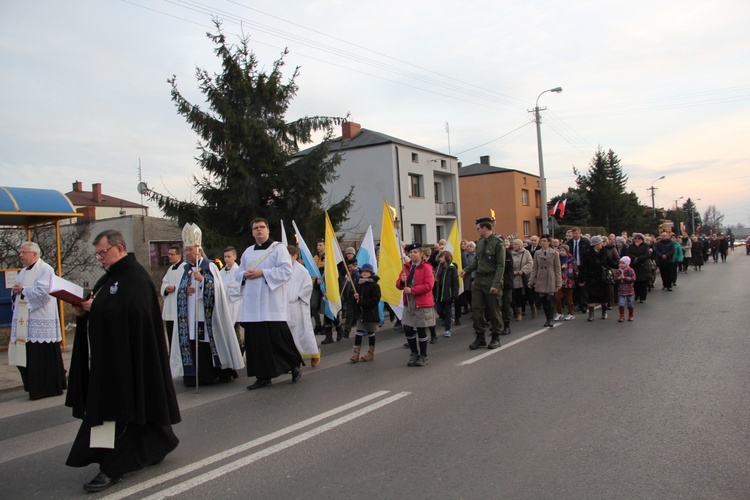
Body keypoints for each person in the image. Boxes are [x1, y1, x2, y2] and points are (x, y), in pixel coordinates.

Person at [66, 230, 180, 493]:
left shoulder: (135, 277)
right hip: (112, 359)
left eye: (102, 252)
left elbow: (135, 313)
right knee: (124, 410)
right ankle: (158, 443)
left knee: (119, 412)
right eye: (97, 254)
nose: (99, 259)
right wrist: (83, 310)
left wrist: (96, 308)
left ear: (118, 248)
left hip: (129, 361)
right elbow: (103, 306)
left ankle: (113, 466)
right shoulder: (111, 278)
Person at [170, 224, 244, 387]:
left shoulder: (209, 265)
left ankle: (215, 372)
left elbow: (218, 288)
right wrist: (185, 289)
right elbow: (180, 289)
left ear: (198, 249)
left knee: (206, 341)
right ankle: (194, 375)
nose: (187, 253)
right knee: (192, 340)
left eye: (189, 250)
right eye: (186, 250)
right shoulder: (186, 268)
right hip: (190, 314)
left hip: (207, 313)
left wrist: (203, 280)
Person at [240, 218, 304, 390]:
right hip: (253, 306)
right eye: (255, 228)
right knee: (256, 342)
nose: (259, 230)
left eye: (262, 227)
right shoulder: (247, 252)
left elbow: (286, 270)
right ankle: (263, 376)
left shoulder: (278, 248)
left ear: (268, 230)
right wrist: (243, 275)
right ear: (252, 232)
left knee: (277, 338)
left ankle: (294, 366)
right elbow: (238, 273)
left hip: (272, 303)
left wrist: (263, 273)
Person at [8, 241, 66, 400]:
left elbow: (44, 293)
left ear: (34, 254)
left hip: (40, 317)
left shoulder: (45, 269)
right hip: (25, 321)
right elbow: (17, 291)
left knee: (41, 356)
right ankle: (33, 386)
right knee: (28, 356)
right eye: (20, 252)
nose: (20, 255)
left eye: (23, 252)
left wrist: (23, 290)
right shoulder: (22, 272)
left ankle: (46, 388)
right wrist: (15, 292)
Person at [460, 217, 505, 350]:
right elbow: (476, 261)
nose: (477, 231)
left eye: (478, 228)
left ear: (485, 228)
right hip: (479, 280)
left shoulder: (498, 243)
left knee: (494, 309)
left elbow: (501, 266)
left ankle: (496, 336)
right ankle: (480, 337)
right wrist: (466, 270)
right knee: (477, 309)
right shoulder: (479, 243)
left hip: (491, 279)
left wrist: (496, 284)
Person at [396, 243, 435, 367]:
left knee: (420, 329)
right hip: (409, 302)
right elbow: (398, 285)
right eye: (410, 252)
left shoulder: (426, 268)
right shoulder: (406, 267)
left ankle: (423, 355)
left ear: (421, 254)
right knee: (407, 327)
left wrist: (412, 290)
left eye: (415, 252)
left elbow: (429, 286)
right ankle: (413, 353)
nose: (412, 254)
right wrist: (402, 282)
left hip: (421, 302)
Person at [286, 246, 320, 367]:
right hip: (285, 307)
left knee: (303, 332)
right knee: (288, 334)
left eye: (288, 256)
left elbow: (308, 287)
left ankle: (313, 353)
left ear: (295, 256)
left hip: (298, 306)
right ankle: (292, 360)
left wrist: (297, 296)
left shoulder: (302, 271)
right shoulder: (282, 269)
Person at [579, 235, 618, 321]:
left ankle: (604, 312)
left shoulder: (604, 252)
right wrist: (581, 279)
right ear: (596, 244)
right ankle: (591, 314)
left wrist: (620, 266)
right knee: (591, 296)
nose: (602, 244)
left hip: (603, 278)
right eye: (600, 243)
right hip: (591, 277)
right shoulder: (587, 253)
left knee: (604, 296)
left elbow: (610, 263)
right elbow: (583, 267)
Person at [350, 263, 381, 362]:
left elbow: (375, 300)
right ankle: (356, 353)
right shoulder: (359, 284)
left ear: (371, 273)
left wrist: (361, 302)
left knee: (371, 332)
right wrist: (354, 298)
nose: (364, 273)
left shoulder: (374, 286)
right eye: (363, 272)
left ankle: (370, 352)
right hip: (361, 313)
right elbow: (354, 298)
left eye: (366, 272)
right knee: (359, 332)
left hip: (370, 313)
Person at [528, 234, 562, 328]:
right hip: (541, 278)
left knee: (549, 299)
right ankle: (547, 319)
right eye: (541, 241)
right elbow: (534, 268)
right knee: (543, 300)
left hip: (551, 277)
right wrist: (531, 281)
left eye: (544, 241)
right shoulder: (537, 253)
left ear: (549, 242)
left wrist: (559, 282)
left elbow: (557, 268)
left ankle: (550, 319)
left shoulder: (554, 253)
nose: (542, 242)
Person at [160, 244, 183, 349]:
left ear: (179, 255)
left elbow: (186, 283)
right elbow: (164, 282)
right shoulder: (170, 269)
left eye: (172, 254)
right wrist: (166, 288)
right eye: (168, 254)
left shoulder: (184, 267)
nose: (169, 256)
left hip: (178, 306)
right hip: (170, 305)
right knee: (170, 333)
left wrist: (175, 287)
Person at [565, 227, 590, 313]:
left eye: (576, 233)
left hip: (582, 266)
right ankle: (576, 303)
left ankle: (583, 305)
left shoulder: (585, 242)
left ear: (580, 233)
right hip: (572, 267)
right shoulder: (569, 243)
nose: (575, 235)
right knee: (574, 286)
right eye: (573, 233)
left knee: (582, 285)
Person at [434, 250, 459, 338]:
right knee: (439, 310)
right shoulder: (438, 267)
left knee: (447, 311)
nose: (440, 258)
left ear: (446, 258)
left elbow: (455, 282)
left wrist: (455, 294)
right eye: (440, 257)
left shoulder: (452, 268)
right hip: (439, 292)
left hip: (447, 293)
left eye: (442, 257)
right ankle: (447, 319)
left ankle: (448, 329)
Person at [510, 238, 532, 322]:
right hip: (514, 277)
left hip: (524, 276)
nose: (514, 246)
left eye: (516, 244)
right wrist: (513, 272)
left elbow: (530, 263)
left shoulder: (526, 253)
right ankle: (519, 313)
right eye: (513, 244)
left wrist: (522, 271)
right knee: (517, 295)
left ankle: (533, 307)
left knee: (528, 294)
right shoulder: (511, 254)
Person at [555, 244, 578, 321]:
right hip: (559, 281)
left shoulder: (571, 259)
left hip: (569, 281)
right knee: (557, 297)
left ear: (567, 251)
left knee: (569, 299)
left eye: (563, 250)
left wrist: (578, 279)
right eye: (560, 250)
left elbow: (576, 270)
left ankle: (571, 313)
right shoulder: (557, 259)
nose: (561, 252)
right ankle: (559, 313)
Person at [628, 233, 652, 303]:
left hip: (643, 265)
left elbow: (647, 254)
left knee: (643, 282)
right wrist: (634, 258)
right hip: (634, 265)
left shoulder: (645, 246)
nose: (637, 240)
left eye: (639, 239)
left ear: (642, 239)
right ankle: (637, 294)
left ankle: (642, 297)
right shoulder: (631, 246)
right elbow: (628, 253)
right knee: (636, 282)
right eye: (635, 239)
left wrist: (639, 258)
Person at [614, 256, 636, 322]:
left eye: (623, 263)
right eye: (620, 263)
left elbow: (633, 279)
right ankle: (621, 315)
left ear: (627, 264)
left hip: (629, 289)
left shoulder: (630, 270)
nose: (621, 264)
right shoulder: (618, 271)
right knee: (621, 303)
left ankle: (631, 315)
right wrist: (618, 278)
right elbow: (615, 279)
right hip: (621, 289)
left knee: (630, 303)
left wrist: (625, 278)